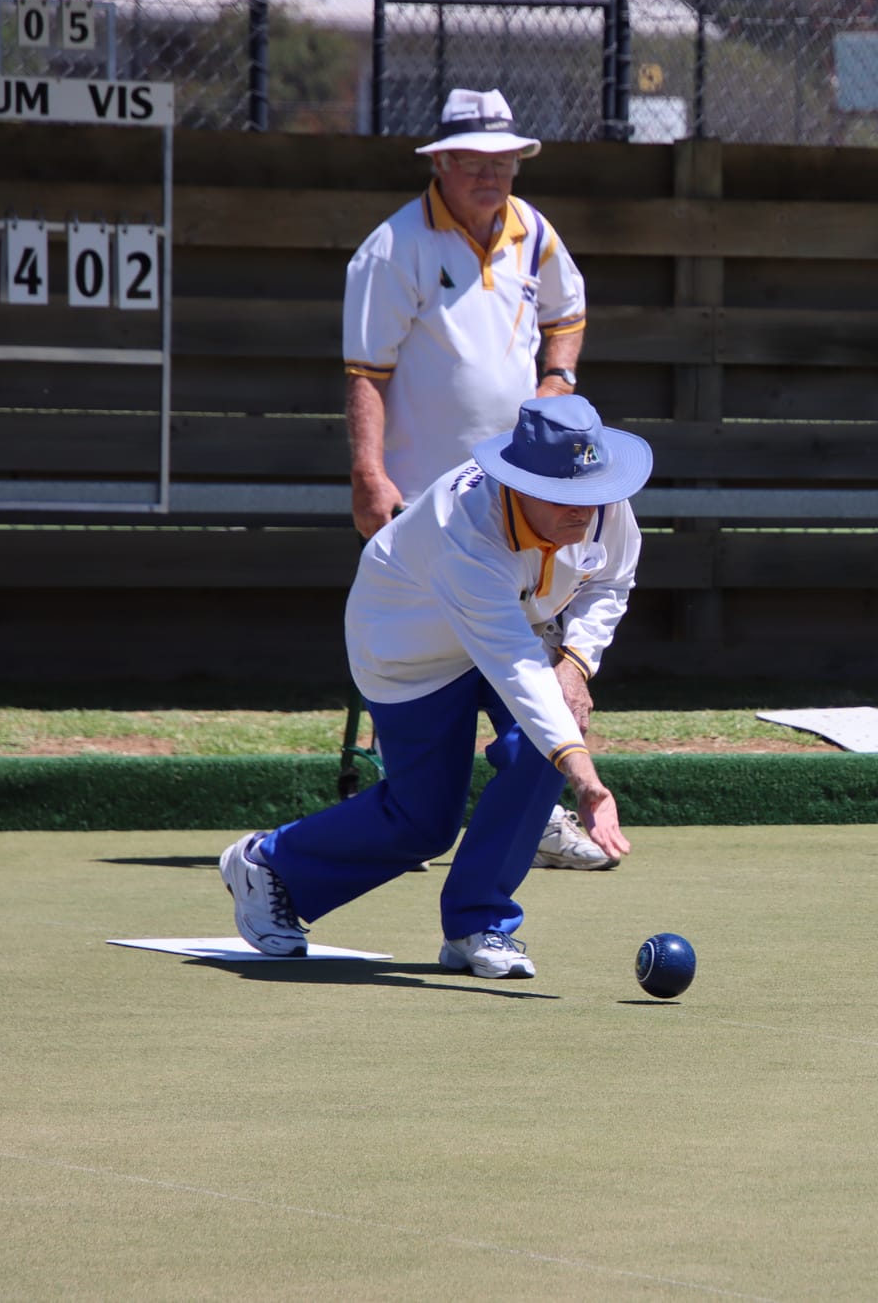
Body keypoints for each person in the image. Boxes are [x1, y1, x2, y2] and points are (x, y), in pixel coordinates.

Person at [218, 396, 650, 979]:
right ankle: (268, 863)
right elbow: (517, 670)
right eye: (564, 496)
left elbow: (611, 583)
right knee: (425, 822)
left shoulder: (602, 499)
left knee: (537, 754)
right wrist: (588, 781)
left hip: (519, 626)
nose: (585, 509)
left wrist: (574, 663)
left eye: (590, 492)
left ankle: (479, 924)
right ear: (518, 484)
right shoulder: (467, 531)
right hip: (408, 644)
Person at [343, 85, 609, 870]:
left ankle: (529, 810)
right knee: (434, 654)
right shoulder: (392, 249)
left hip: (525, 495)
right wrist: (367, 471)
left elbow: (568, 311)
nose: (491, 175)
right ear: (443, 163)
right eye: (475, 161)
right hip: (430, 499)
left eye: (505, 161)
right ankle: (419, 806)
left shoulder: (535, 233)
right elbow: (366, 371)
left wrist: (557, 381)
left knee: (529, 650)